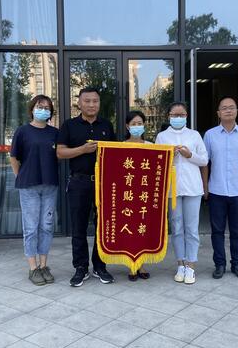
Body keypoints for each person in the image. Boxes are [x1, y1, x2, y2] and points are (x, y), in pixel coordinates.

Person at [57, 87, 116, 287]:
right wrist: (82, 149)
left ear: (99, 103)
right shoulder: (69, 125)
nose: (91, 105)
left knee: (103, 226)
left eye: (95, 101)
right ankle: (81, 268)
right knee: (78, 227)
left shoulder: (106, 125)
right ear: (79, 103)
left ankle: (100, 266)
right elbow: (60, 153)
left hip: (103, 182)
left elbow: (116, 153)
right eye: (87, 101)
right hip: (79, 182)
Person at [201, 97, 238, 280]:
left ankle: (237, 263)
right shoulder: (210, 135)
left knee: (237, 231)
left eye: (231, 107)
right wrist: (205, 187)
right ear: (218, 113)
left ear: (236, 111)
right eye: (224, 108)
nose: (228, 110)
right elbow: (204, 163)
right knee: (217, 232)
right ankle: (219, 264)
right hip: (216, 191)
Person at [155, 102, 208, 285]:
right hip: (172, 189)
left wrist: (189, 154)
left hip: (193, 188)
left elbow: (204, 160)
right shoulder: (162, 136)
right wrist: (170, 155)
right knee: (177, 227)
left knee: (192, 229)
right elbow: (157, 161)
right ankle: (180, 264)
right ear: (169, 116)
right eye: (174, 115)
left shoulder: (194, 135)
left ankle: (191, 266)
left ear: (186, 116)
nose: (178, 118)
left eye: (181, 115)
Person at [10, 95, 59, 286]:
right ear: (32, 109)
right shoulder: (22, 131)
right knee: (30, 228)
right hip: (29, 186)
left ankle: (44, 265)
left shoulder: (55, 133)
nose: (43, 110)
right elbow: (14, 158)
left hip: (50, 185)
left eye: (47, 108)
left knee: (46, 226)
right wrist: (20, 177)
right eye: (40, 106)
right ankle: (33, 268)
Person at [124, 110, 152, 282]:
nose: (137, 126)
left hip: (144, 194)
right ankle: (131, 265)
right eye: (133, 124)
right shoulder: (120, 146)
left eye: (139, 123)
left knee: (143, 230)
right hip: (127, 195)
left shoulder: (151, 145)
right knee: (129, 230)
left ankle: (141, 265)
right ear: (127, 126)